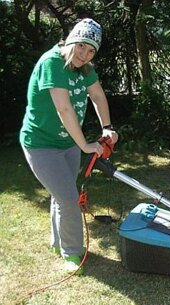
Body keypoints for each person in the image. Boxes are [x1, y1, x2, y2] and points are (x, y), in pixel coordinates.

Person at [19, 18, 118, 274]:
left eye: (91, 51)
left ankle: (58, 242)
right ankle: (72, 253)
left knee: (61, 196)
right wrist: (85, 144)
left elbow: (97, 95)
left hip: (67, 143)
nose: (84, 55)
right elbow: (63, 108)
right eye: (82, 46)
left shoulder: (84, 69)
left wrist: (107, 127)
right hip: (40, 145)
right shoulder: (53, 62)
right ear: (72, 39)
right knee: (69, 200)